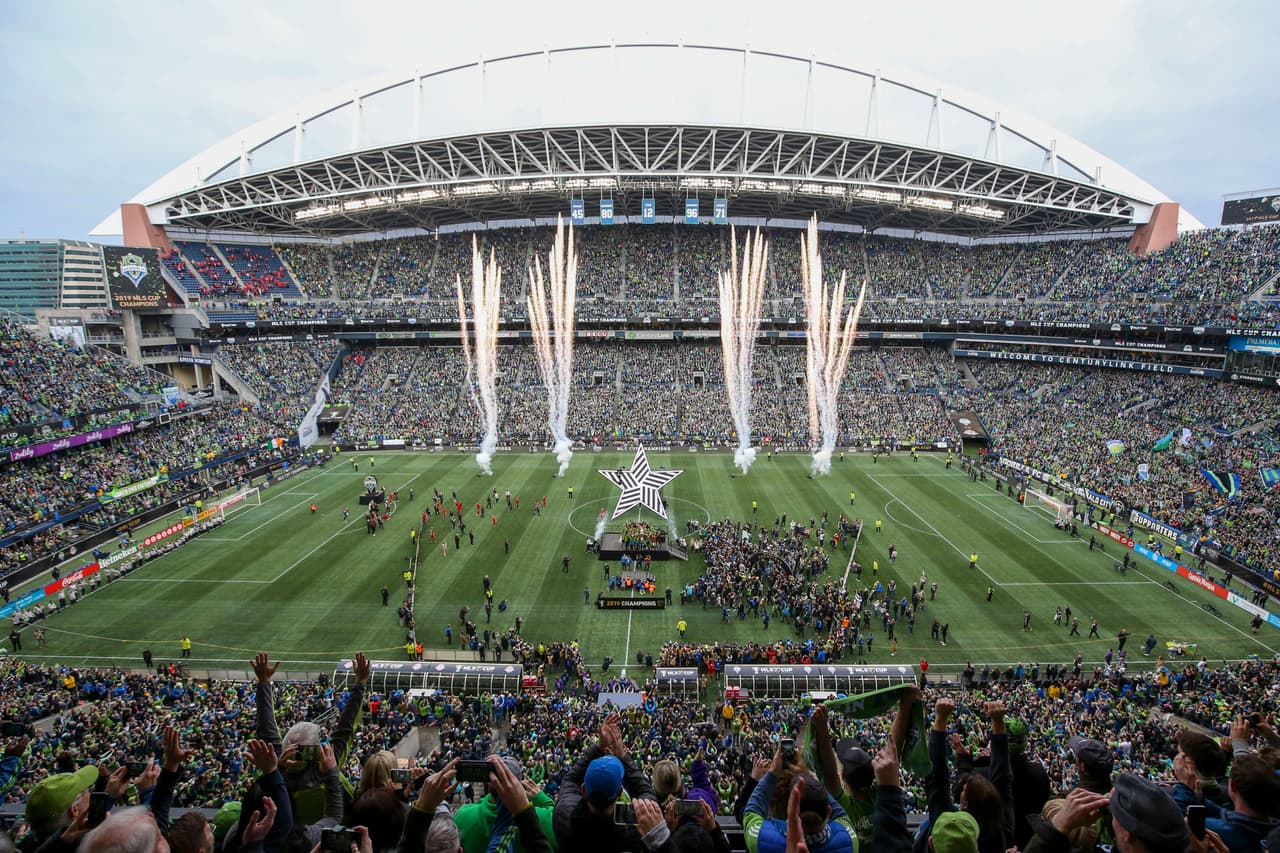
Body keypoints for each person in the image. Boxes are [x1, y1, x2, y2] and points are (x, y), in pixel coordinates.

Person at [551, 713, 660, 853]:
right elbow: (645, 791)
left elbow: (570, 779)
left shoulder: (565, 815)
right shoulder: (637, 827)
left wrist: (599, 747)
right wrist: (623, 756)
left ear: (583, 789)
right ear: (620, 793)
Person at [743, 742, 855, 853]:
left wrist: (773, 772)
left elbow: (751, 811)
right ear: (828, 811)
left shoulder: (762, 840)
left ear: (790, 811)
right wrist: (808, 774)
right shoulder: (848, 840)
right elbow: (841, 814)